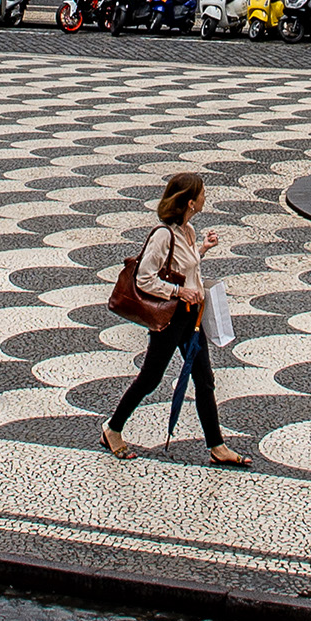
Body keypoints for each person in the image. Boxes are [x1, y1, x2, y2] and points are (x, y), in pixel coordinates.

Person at [102, 171, 246, 467]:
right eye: (203, 194)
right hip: (170, 317)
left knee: (204, 380)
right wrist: (180, 292)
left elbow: (185, 264)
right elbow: (144, 279)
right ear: (191, 202)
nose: (206, 198)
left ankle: (217, 446)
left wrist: (203, 248)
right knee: (151, 378)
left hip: (191, 317)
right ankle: (112, 429)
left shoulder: (189, 231)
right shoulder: (162, 235)